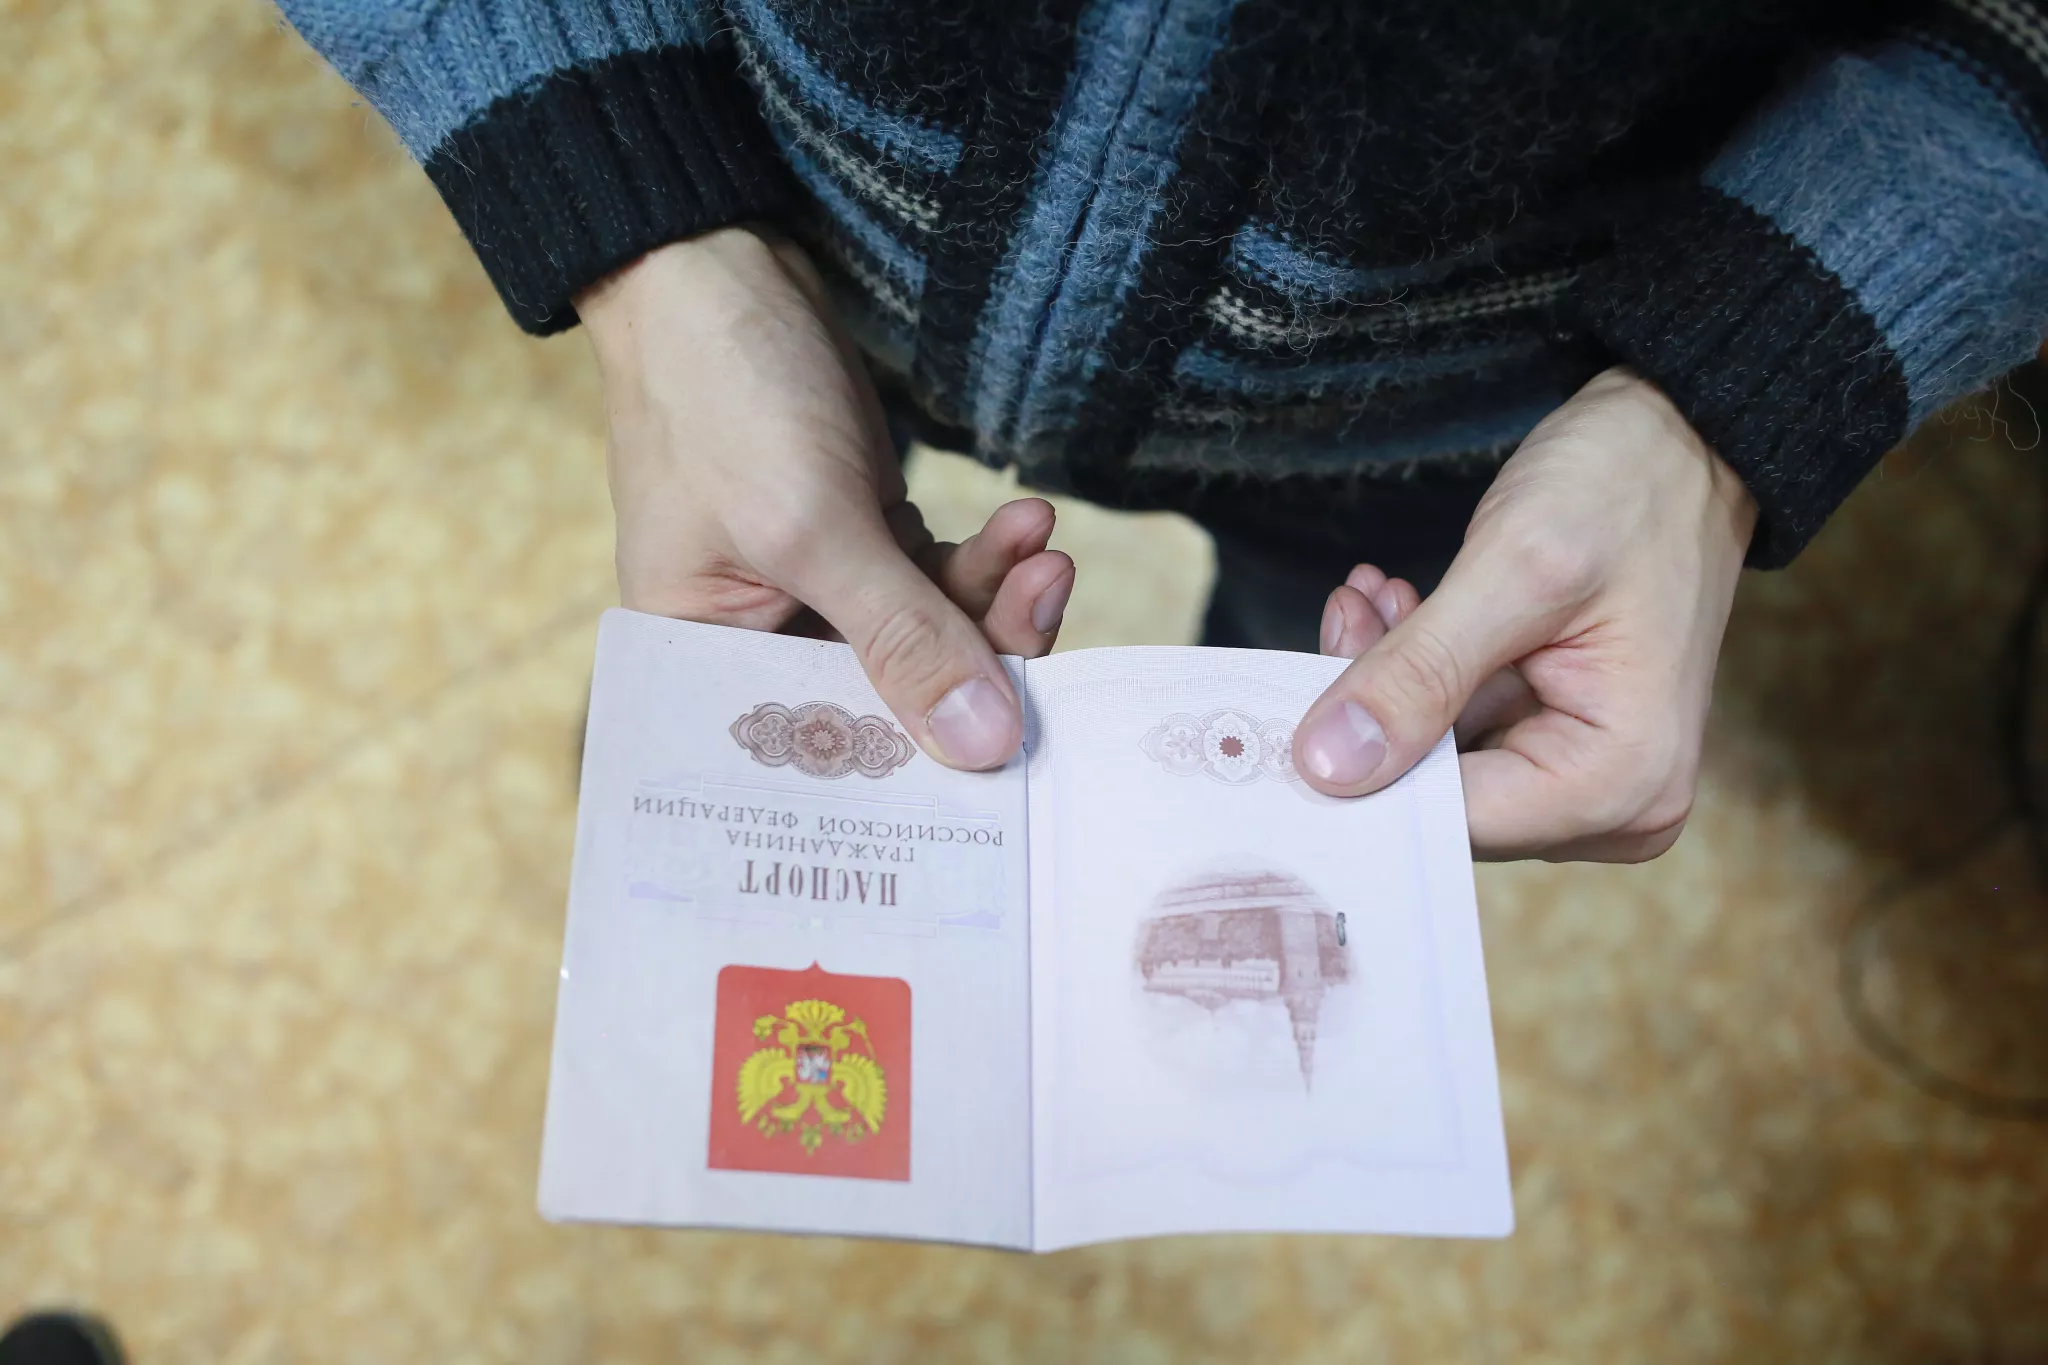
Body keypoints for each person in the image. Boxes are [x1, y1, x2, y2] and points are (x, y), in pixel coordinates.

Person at [277, 0, 2048, 861]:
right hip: (794, 209)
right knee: (784, 618)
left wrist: (1727, 404)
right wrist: (654, 243)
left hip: (1496, 401)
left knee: (1325, 720)